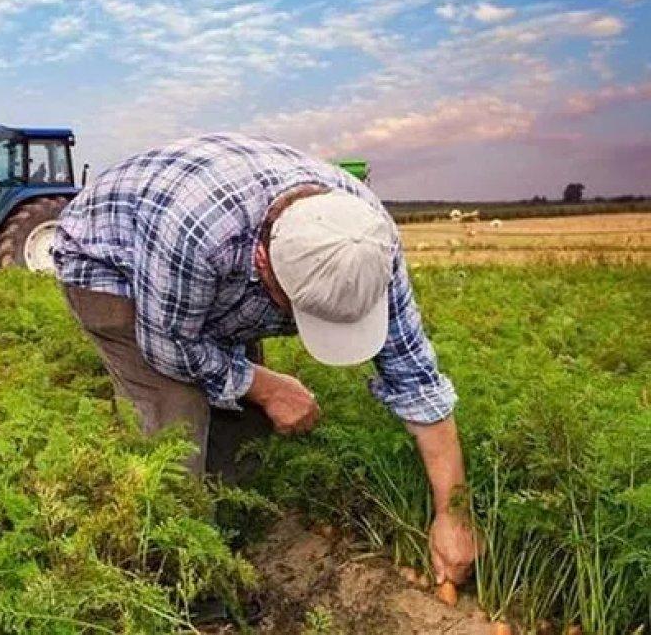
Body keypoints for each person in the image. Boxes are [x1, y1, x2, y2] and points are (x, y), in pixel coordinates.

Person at [52, 133, 477, 586]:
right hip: (110, 264)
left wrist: (454, 514)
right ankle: (176, 576)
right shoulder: (197, 234)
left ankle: (232, 536)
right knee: (176, 424)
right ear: (263, 263)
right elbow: (169, 347)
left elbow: (416, 379)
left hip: (206, 266)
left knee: (243, 422)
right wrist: (268, 386)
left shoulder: (367, 242)